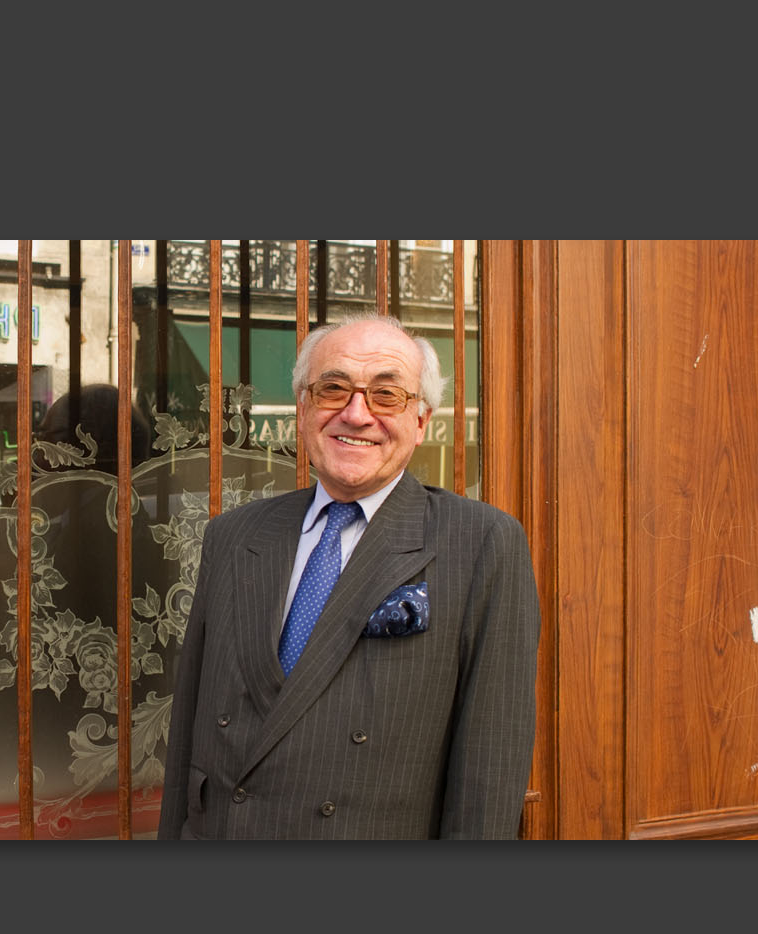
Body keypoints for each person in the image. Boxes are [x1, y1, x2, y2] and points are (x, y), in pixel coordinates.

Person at [157, 314, 540, 839]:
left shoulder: (480, 543)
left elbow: (489, 769)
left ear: (422, 419)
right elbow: (189, 737)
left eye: (387, 396)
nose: (356, 414)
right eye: (333, 389)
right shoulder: (234, 536)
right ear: (304, 407)